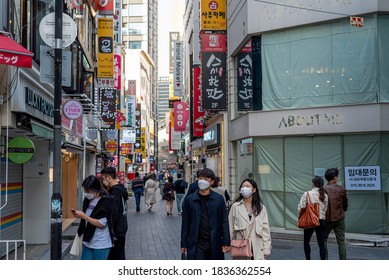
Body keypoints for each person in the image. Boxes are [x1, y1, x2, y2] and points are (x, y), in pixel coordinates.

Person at [181, 168, 230, 260]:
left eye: (205, 179)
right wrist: (183, 243)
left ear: (211, 182)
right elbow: (185, 222)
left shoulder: (219, 199)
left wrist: (226, 241)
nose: (202, 181)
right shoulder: (189, 200)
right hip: (196, 241)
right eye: (200, 178)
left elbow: (224, 221)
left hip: (215, 241)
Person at [228, 178, 271, 260]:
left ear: (254, 190)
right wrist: (230, 244)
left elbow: (265, 229)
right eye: (243, 186)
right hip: (240, 247)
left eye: (247, 186)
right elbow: (231, 227)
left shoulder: (261, 207)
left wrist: (266, 248)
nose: (244, 188)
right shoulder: (235, 206)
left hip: (257, 248)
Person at [73, 175, 114, 260]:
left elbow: (101, 224)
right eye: (85, 190)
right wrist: (79, 215)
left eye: (88, 191)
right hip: (88, 241)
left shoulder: (106, 202)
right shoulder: (87, 200)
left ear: (96, 190)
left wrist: (84, 216)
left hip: (101, 243)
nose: (86, 193)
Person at [101, 166, 129, 260]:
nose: (103, 181)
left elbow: (114, 212)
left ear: (108, 178)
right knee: (119, 255)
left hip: (116, 230)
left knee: (114, 256)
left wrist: (110, 230)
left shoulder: (115, 191)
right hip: (122, 226)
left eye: (103, 179)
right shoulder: (121, 189)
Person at [297, 176, 328, 260]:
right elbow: (325, 209)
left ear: (314, 183)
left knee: (306, 241)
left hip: (310, 220)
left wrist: (300, 215)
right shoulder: (325, 195)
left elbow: (301, 207)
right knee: (321, 244)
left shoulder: (307, 194)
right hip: (321, 220)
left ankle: (308, 259)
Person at [324, 167, 348, 260]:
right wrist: (342, 211)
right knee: (341, 241)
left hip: (327, 219)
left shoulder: (323, 189)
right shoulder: (341, 189)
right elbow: (345, 204)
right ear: (335, 177)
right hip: (339, 218)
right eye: (337, 176)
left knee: (323, 239)